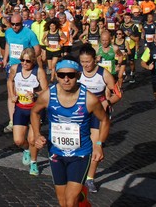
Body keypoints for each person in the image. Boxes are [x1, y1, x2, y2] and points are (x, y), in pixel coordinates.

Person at [31, 58, 110, 207]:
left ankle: (79, 197)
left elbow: (104, 120)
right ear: (56, 75)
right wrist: (36, 134)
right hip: (56, 152)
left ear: (78, 75)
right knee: (63, 202)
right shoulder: (48, 95)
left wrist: (99, 144)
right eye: (61, 75)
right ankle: (83, 201)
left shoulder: (89, 99)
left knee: (70, 200)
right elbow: (34, 112)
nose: (66, 79)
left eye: (71, 75)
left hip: (80, 154)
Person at [78, 45, 121, 193]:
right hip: (80, 113)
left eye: (88, 62)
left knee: (96, 145)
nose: (85, 65)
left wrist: (106, 102)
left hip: (98, 114)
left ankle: (90, 178)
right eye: (82, 62)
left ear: (95, 60)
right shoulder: (77, 72)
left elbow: (118, 94)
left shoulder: (104, 74)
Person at [7, 48, 48, 176]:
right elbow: (10, 81)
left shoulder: (39, 71)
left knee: (32, 139)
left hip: (35, 109)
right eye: (22, 60)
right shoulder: (15, 68)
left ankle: (34, 162)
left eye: (28, 61)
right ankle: (26, 150)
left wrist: (35, 94)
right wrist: (12, 95)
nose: (24, 63)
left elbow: (46, 91)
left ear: (33, 61)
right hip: (20, 108)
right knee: (18, 141)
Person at [3, 13, 40, 133]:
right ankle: (12, 121)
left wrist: (29, 61)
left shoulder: (29, 33)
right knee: (11, 94)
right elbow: (8, 44)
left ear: (22, 23)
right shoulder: (8, 32)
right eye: (12, 24)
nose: (14, 27)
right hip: (12, 67)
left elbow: (37, 49)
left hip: (26, 68)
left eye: (17, 24)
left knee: (28, 93)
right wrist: (5, 59)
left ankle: (33, 117)